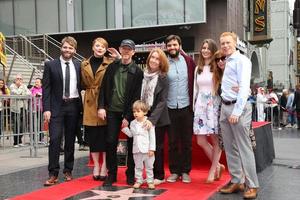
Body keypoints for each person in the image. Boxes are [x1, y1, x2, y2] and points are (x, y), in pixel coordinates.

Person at [218, 32, 259, 199]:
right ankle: (236, 180)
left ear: (235, 43)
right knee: (230, 147)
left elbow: (243, 87)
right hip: (225, 106)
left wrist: (236, 111)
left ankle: (253, 184)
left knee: (244, 147)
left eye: (228, 42)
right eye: (222, 43)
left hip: (238, 108)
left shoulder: (243, 60)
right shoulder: (227, 61)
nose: (225, 46)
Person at [98, 39, 143, 186]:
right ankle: (112, 174)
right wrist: (101, 107)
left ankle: (130, 174)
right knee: (110, 142)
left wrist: (128, 116)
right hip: (112, 111)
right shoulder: (112, 67)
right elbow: (103, 88)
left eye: (129, 49)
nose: (126, 51)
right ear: (120, 49)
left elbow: (137, 96)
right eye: (123, 49)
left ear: (133, 52)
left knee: (131, 143)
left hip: (129, 114)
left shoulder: (137, 71)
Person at [42, 36, 82, 186]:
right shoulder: (50, 65)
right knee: (55, 139)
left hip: (73, 106)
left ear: (74, 50)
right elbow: (46, 88)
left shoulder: (79, 65)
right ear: (61, 47)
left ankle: (68, 170)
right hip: (56, 107)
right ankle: (53, 173)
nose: (67, 50)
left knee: (71, 140)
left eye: (70, 48)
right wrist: (46, 109)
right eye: (65, 47)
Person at [81, 37, 120, 181]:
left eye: (103, 47)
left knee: (105, 137)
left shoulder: (110, 63)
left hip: (105, 102)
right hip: (90, 103)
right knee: (93, 138)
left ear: (105, 49)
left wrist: (118, 57)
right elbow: (81, 83)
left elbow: (122, 67)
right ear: (93, 47)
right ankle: (96, 165)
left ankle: (104, 166)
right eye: (97, 45)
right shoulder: (84, 63)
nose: (100, 48)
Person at [165, 35, 196, 183]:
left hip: (186, 107)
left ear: (180, 45)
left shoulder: (189, 62)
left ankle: (185, 171)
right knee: (172, 142)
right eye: (169, 45)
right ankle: (174, 171)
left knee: (187, 142)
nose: (172, 47)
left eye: (174, 45)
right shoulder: (164, 63)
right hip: (170, 107)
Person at [192, 39, 224, 183]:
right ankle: (218, 165)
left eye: (208, 48)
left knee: (215, 139)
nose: (205, 50)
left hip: (214, 105)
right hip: (200, 106)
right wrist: (194, 106)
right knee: (200, 140)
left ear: (213, 50)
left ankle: (212, 171)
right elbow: (195, 89)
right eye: (203, 47)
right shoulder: (197, 68)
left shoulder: (217, 66)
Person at [140, 48, 170, 185]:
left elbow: (163, 101)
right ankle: (150, 174)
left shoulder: (163, 77)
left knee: (156, 147)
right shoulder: (144, 75)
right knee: (145, 147)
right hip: (143, 115)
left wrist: (152, 120)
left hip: (157, 118)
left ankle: (159, 175)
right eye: (152, 57)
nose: (154, 60)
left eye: (157, 59)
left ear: (161, 62)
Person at [121, 100, 156, 189]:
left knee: (149, 167)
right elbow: (131, 135)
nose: (135, 113)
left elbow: (152, 137)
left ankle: (150, 181)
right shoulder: (132, 123)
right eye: (134, 111)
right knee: (138, 167)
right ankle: (139, 180)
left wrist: (152, 149)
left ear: (145, 112)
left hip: (147, 149)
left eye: (138, 111)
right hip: (136, 149)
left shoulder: (148, 122)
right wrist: (125, 128)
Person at [10, 74, 31, 147]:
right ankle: (16, 142)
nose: (19, 80)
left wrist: (22, 94)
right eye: (17, 79)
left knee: (22, 126)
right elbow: (17, 93)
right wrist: (22, 89)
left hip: (23, 108)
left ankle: (20, 140)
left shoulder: (24, 86)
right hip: (15, 109)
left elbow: (29, 94)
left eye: (20, 79)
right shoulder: (12, 86)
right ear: (15, 80)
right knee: (16, 125)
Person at [30, 78, 44, 144]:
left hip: (41, 109)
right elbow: (29, 96)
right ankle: (32, 139)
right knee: (33, 124)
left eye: (38, 82)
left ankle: (41, 138)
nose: (36, 83)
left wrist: (41, 95)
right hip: (33, 109)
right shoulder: (32, 89)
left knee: (41, 124)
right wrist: (34, 95)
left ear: (41, 83)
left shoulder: (43, 89)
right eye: (35, 82)